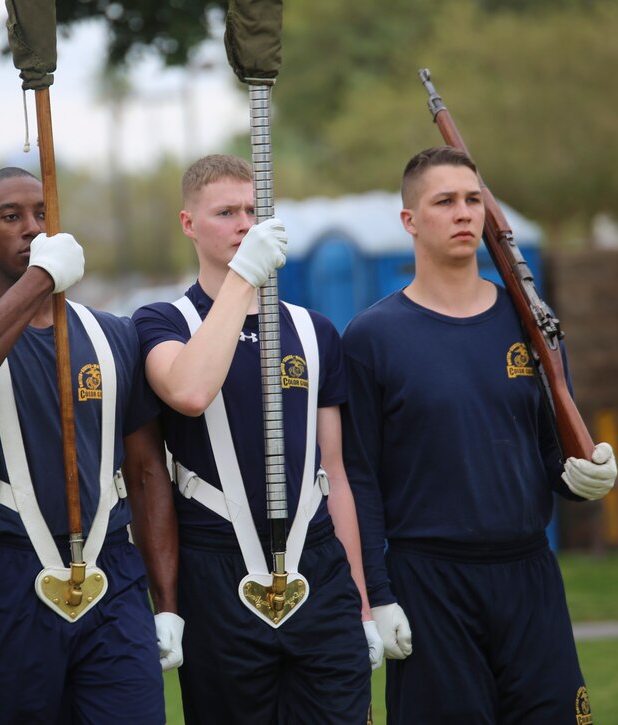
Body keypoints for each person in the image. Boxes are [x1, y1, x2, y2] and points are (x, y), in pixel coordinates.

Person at [342, 145, 618, 724]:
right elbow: (358, 478)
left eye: (473, 200)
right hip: (429, 581)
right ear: (409, 221)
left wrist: (584, 478)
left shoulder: (530, 323)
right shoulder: (372, 337)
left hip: (530, 574)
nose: (464, 213)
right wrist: (378, 594)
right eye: (444, 201)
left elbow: (551, 454)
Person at [0, 167, 169, 725]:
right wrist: (40, 279)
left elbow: (147, 473)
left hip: (114, 572)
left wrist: (167, 606)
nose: (32, 228)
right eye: (11, 217)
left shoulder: (113, 334)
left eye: (42, 215)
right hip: (9, 574)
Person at [132, 153, 383, 725]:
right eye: (225, 212)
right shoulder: (161, 322)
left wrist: (364, 606)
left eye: (253, 210)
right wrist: (244, 281)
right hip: (215, 569)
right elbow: (190, 390)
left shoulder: (314, 332)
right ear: (188, 224)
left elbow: (335, 476)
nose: (244, 224)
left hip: (317, 567)